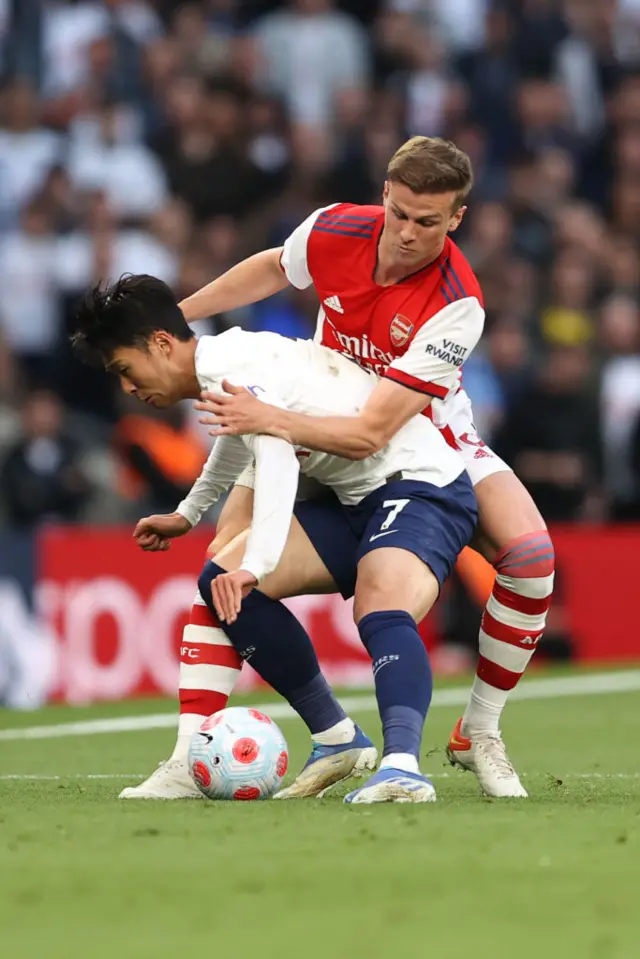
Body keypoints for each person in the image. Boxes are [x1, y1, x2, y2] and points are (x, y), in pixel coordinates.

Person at [181, 135, 555, 800]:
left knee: (530, 559)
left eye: (428, 222)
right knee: (224, 562)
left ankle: (480, 731)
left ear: (457, 219)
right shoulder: (335, 228)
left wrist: (273, 424)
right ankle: (198, 752)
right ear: (385, 194)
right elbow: (273, 266)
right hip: (324, 424)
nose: (409, 233)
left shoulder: (456, 300)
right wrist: (178, 316)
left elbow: (379, 426)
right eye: (401, 213)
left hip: (424, 438)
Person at [71, 273, 478, 805]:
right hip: (358, 499)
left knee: (378, 603)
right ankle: (330, 738)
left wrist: (257, 563)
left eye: (125, 369)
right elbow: (241, 443)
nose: (127, 386)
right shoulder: (225, 362)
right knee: (219, 581)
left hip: (424, 486)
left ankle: (403, 767)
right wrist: (188, 513)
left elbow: (277, 454)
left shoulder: (232, 365)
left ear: (161, 343)